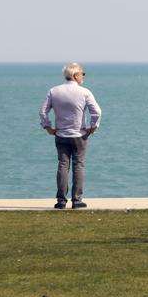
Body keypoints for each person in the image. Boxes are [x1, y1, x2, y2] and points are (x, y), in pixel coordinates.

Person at [39, 62, 102, 209]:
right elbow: (97, 112)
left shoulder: (54, 91)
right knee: (78, 166)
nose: (83, 76)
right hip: (79, 135)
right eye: (82, 73)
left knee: (62, 165)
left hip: (61, 134)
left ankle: (61, 201)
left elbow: (43, 111)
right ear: (75, 75)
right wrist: (93, 127)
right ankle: (77, 200)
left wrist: (47, 126)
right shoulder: (85, 92)